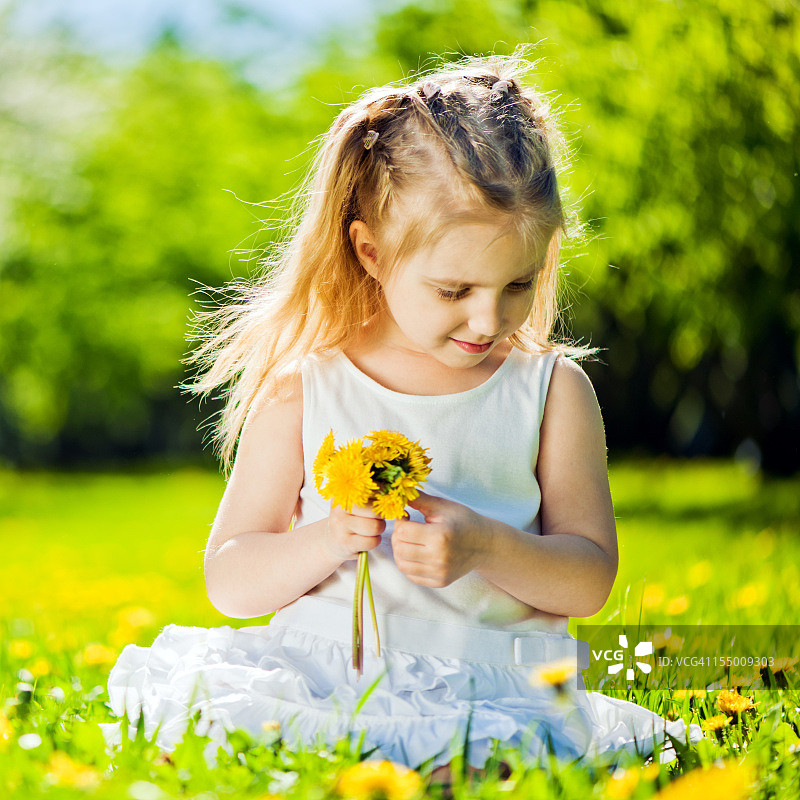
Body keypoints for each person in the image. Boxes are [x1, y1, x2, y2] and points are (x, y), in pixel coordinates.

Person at [105, 49, 701, 777]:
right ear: (372, 252)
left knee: (478, 768)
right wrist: (326, 539)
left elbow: (588, 578)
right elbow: (231, 580)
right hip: (333, 675)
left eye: (519, 282)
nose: (490, 318)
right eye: (455, 290)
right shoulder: (309, 385)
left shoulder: (550, 390)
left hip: (496, 682)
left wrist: (487, 548)